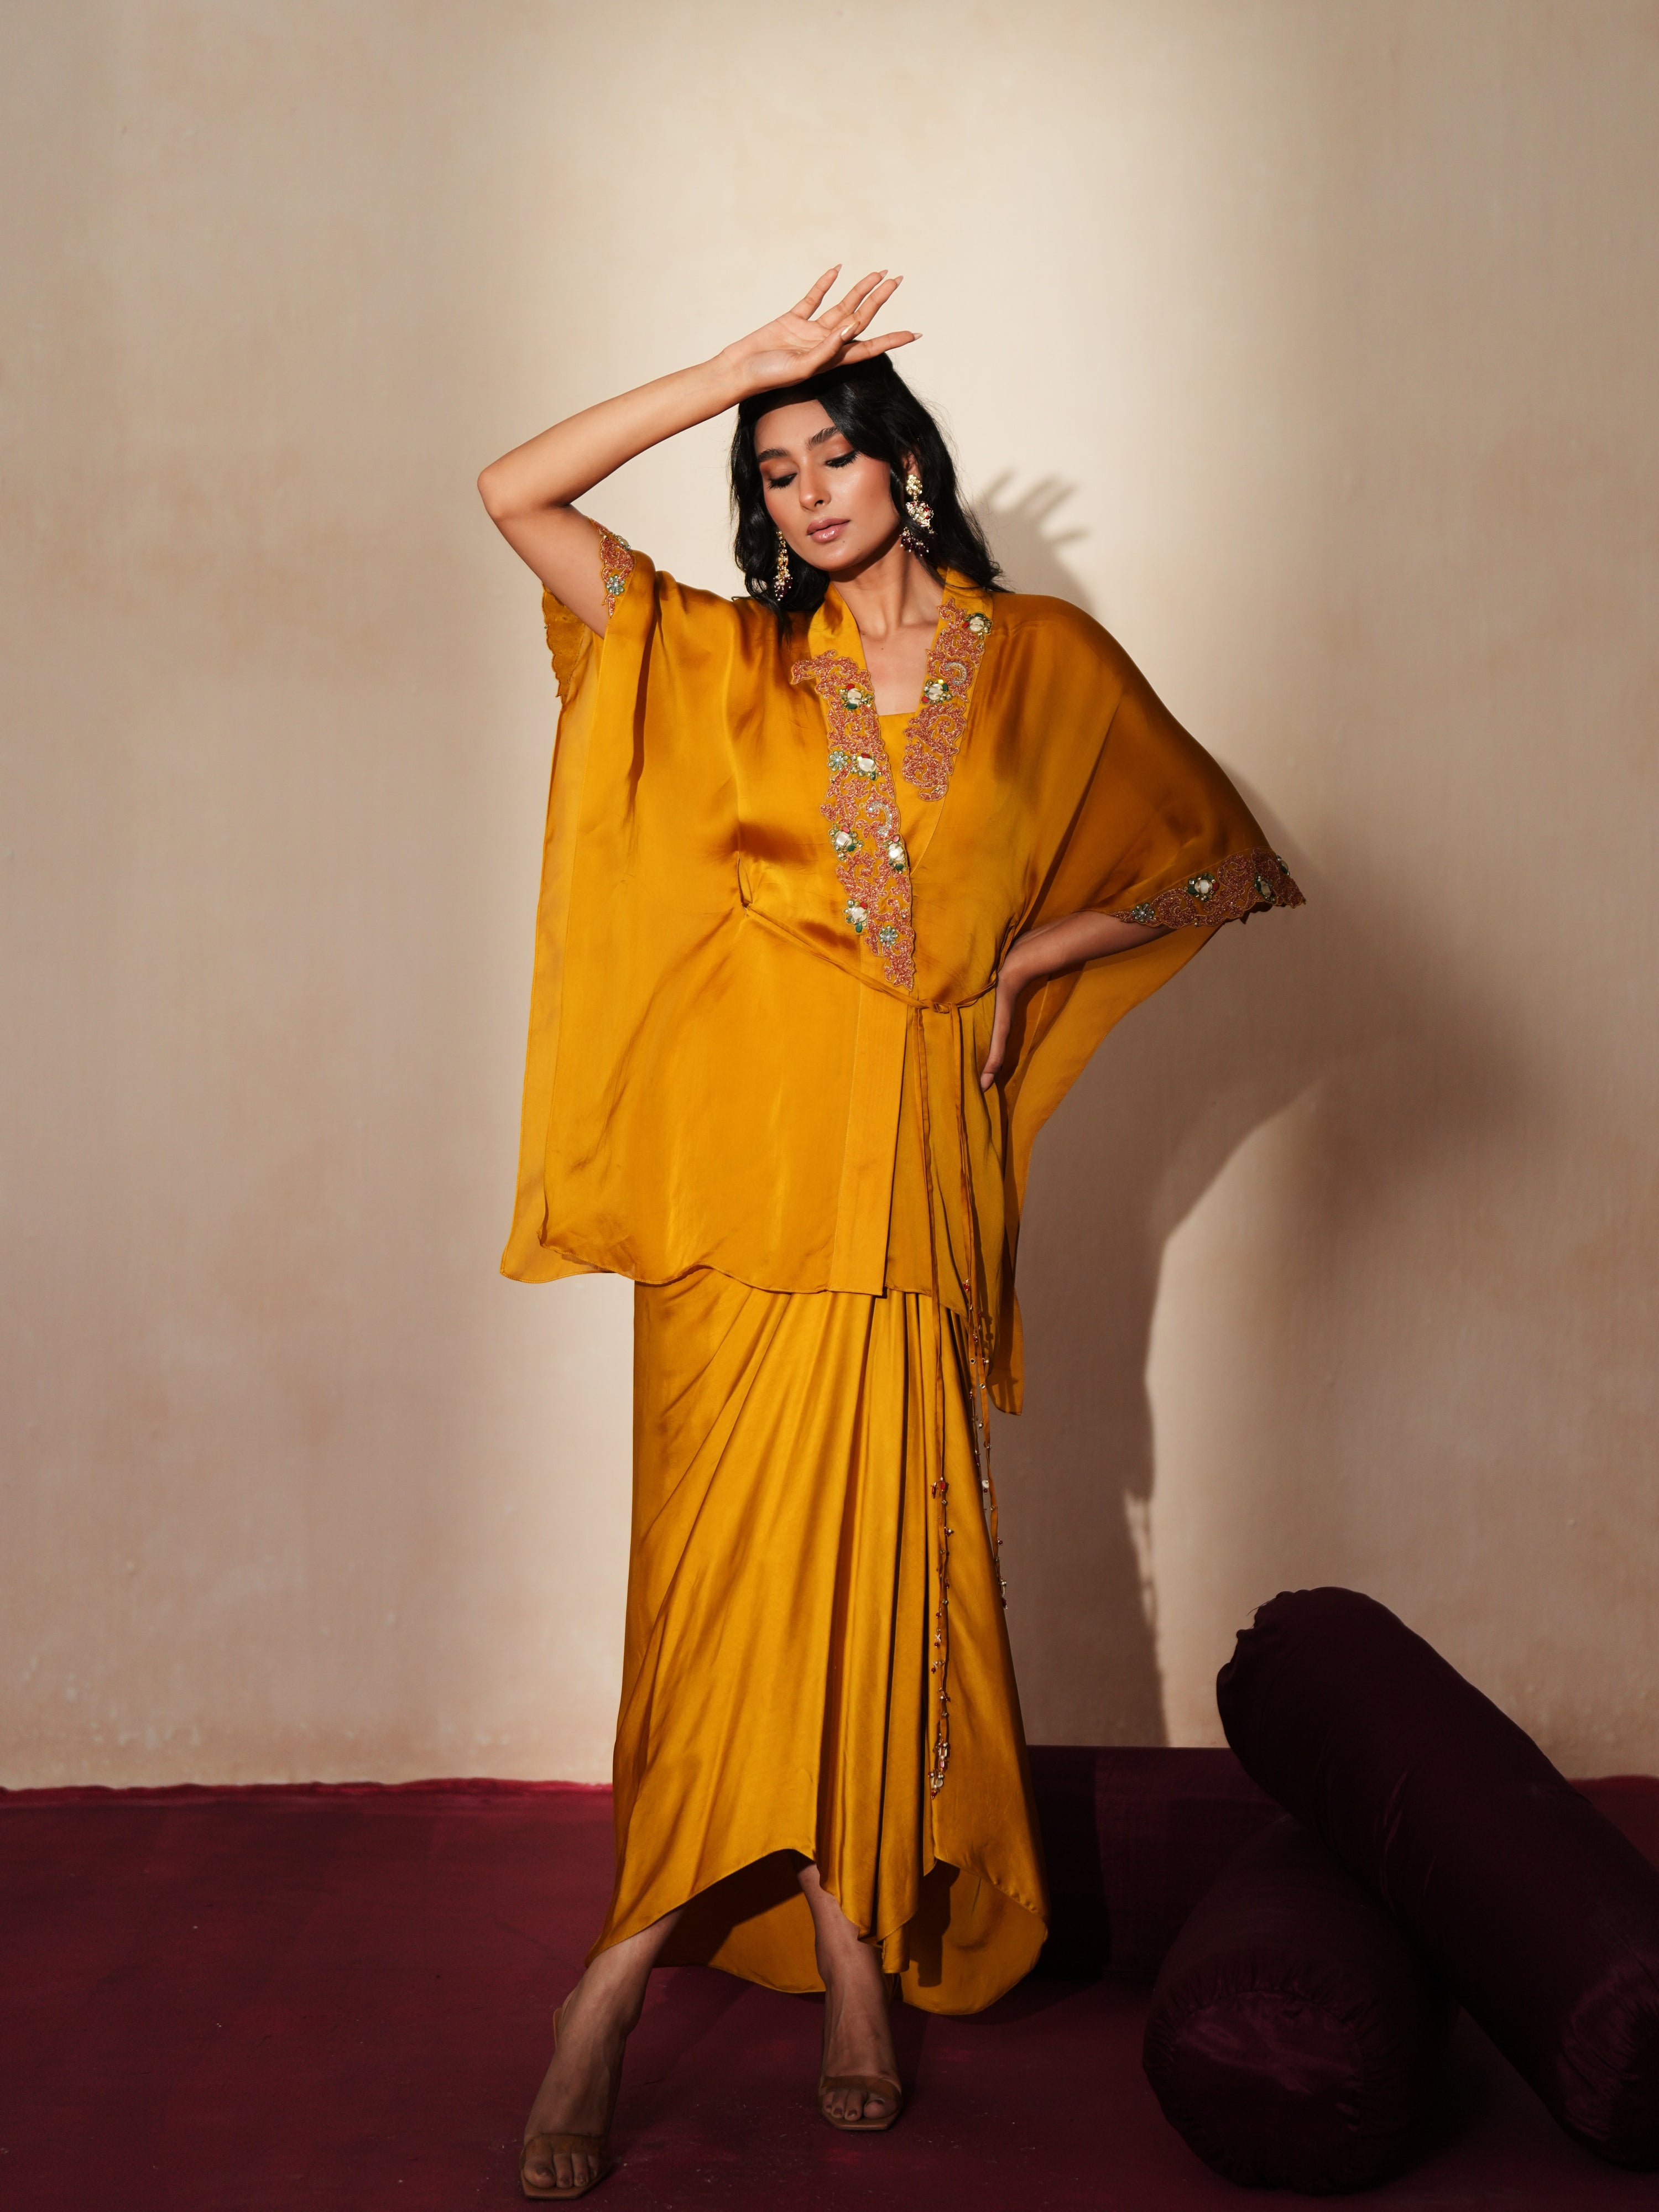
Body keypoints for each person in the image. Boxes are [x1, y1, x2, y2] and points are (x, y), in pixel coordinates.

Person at [478, 267, 1303, 2200]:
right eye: (776, 471)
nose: (808, 489)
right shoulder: (727, 665)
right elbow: (514, 493)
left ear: (902, 467)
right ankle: (609, 1983)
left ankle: (862, 1953)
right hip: (731, 1182)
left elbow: (1219, 858)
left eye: (834, 450)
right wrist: (726, 373)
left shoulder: (1052, 665)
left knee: (890, 1562)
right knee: (710, 1590)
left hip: (914, 1158)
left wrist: (1030, 954)